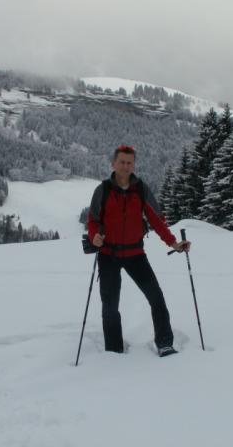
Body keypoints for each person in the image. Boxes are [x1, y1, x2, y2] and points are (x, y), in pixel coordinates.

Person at [87, 144, 190, 357]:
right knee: (110, 306)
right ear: (113, 163)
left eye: (129, 163)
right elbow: (93, 221)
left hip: (135, 254)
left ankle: (165, 344)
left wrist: (173, 243)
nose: (126, 166)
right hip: (108, 255)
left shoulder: (141, 190)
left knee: (156, 297)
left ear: (133, 165)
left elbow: (157, 221)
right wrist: (94, 236)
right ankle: (113, 349)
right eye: (122, 162)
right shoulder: (103, 190)